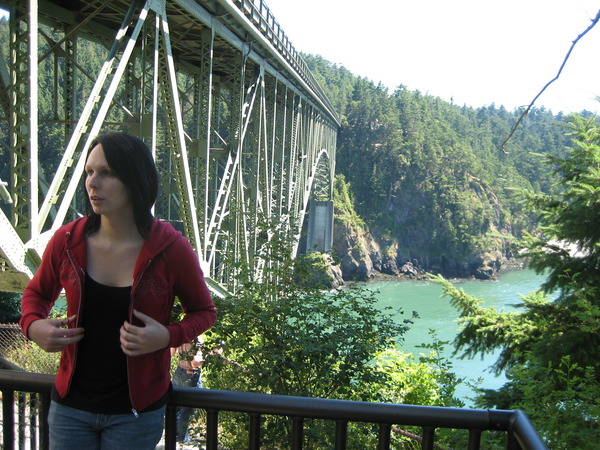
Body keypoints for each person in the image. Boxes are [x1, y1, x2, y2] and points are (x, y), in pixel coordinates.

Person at [19, 132, 217, 450]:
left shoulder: (171, 249)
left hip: (136, 415)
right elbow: (37, 295)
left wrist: (167, 336)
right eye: (89, 172)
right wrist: (33, 326)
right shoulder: (67, 241)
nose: (92, 183)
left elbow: (205, 312)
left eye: (107, 173)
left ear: (135, 179)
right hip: (70, 409)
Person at [171, 338, 203, 443]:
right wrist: (210, 355)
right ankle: (183, 439)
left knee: (176, 406)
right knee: (187, 410)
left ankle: (172, 436)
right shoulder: (197, 340)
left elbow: (171, 352)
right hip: (191, 375)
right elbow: (195, 363)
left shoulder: (183, 335)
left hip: (179, 371)